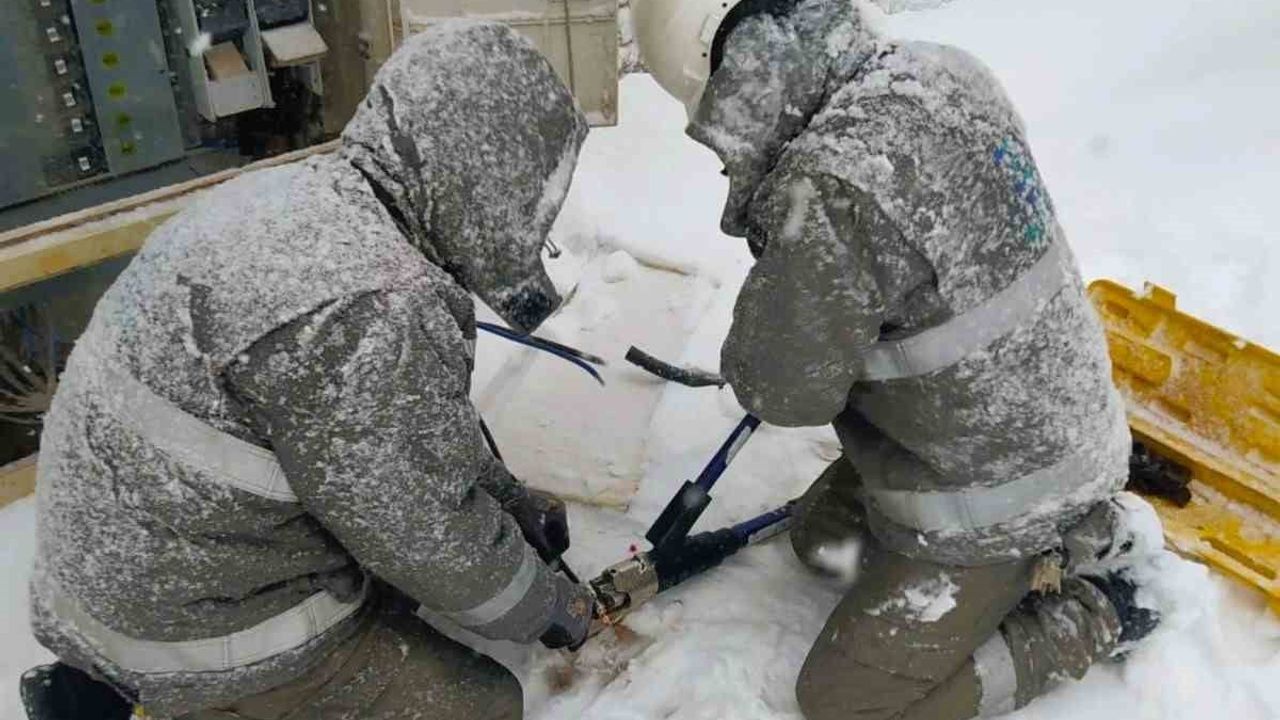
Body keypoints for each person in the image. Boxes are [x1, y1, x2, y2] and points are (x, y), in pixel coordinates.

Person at [27, 20, 595, 720]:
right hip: (186, 629)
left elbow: (397, 441)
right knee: (480, 704)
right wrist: (549, 607)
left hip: (110, 572)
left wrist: (504, 498)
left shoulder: (309, 207)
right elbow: (423, 535)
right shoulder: (378, 303)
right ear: (488, 178)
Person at [634, 1, 1160, 718]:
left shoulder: (831, 188)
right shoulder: (941, 74)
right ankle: (1049, 532)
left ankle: (1099, 606)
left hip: (1000, 494)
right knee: (822, 539)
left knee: (844, 701)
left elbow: (782, 390)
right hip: (1046, 415)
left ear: (731, 84)